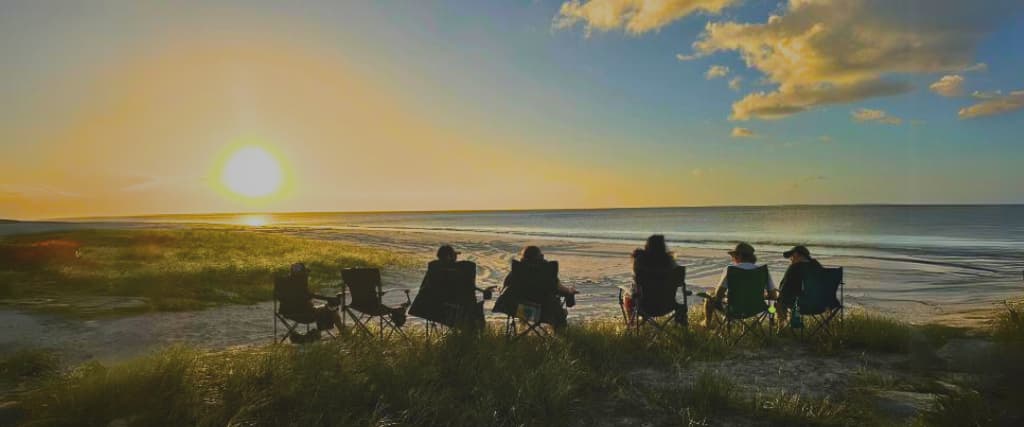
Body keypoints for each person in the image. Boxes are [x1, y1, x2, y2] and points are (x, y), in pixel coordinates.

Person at [493, 246, 577, 329]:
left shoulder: (518, 271)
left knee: (523, 302)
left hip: (520, 311)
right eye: (542, 256)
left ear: (523, 258)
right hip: (545, 313)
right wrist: (570, 291)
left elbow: (505, 286)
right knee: (560, 314)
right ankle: (560, 339)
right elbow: (559, 288)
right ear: (540, 257)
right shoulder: (547, 271)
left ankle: (521, 329)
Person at [409, 245, 491, 327]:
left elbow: (425, 287)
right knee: (476, 315)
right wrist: (485, 291)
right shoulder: (464, 269)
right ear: (449, 256)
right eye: (454, 255)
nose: (456, 257)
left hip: (433, 308)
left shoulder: (434, 268)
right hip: (456, 308)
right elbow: (469, 288)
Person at [703, 242, 777, 327]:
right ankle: (774, 324)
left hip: (734, 310)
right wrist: (760, 296)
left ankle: (707, 324)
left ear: (740, 256)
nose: (733, 259)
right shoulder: (762, 271)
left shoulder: (731, 270)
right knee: (772, 304)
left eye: (734, 256)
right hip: (757, 309)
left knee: (709, 298)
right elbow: (773, 295)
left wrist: (721, 296)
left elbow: (719, 293)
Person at [277, 263, 344, 341]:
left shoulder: (283, 283)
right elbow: (310, 296)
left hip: (287, 313)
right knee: (332, 309)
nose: (307, 275)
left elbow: (278, 297)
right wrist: (328, 298)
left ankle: (317, 333)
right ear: (303, 274)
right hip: (307, 314)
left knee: (324, 308)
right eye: (306, 273)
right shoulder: (301, 283)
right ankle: (344, 333)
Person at [623, 235, 678, 323]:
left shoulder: (641, 261)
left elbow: (635, 281)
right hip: (668, 306)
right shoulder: (669, 261)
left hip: (645, 307)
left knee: (626, 295)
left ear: (647, 246)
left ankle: (631, 323)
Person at [776, 245, 823, 321]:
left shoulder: (794, 268)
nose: (791, 260)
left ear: (797, 255)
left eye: (792, 257)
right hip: (820, 304)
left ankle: (782, 327)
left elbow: (784, 288)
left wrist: (778, 297)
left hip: (799, 305)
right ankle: (795, 323)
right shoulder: (817, 266)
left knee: (779, 303)